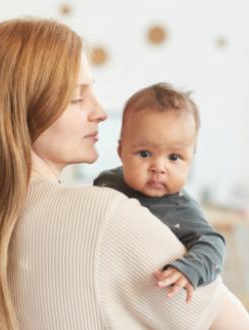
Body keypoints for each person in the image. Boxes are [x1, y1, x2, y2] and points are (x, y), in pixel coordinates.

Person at [0, 18, 249, 330]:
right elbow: (234, 324)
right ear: (24, 111)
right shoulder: (102, 213)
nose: (99, 112)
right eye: (77, 98)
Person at [94, 83, 225, 303]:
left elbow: (213, 244)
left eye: (174, 157)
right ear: (121, 152)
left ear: (191, 159)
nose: (159, 167)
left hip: (148, 296)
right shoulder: (106, 182)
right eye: (145, 153)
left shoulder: (182, 211)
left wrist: (187, 269)